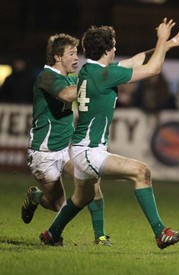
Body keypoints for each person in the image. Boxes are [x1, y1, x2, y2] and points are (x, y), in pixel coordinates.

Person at [39, 18, 179, 248]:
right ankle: (160, 232)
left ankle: (52, 234)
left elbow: (136, 59)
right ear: (107, 50)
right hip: (90, 152)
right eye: (114, 45)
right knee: (141, 172)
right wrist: (161, 39)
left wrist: (168, 43)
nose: (116, 48)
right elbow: (154, 69)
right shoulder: (105, 75)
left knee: (82, 197)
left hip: (81, 148)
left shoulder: (91, 70)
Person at [22, 33, 112, 245]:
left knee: (92, 185)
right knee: (58, 205)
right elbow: (66, 95)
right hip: (44, 152)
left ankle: (100, 237)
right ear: (57, 57)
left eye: (77, 53)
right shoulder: (46, 77)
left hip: (69, 147)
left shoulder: (72, 77)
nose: (76, 58)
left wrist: (162, 47)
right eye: (71, 54)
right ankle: (35, 198)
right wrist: (91, 82)